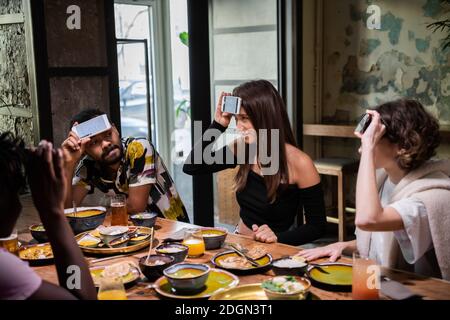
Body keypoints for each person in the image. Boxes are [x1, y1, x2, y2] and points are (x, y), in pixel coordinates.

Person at [297, 99, 450, 280]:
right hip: (378, 280)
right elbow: (382, 240)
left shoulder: (432, 197)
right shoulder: (384, 179)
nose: (362, 150)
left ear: (404, 146)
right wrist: (343, 246)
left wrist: (369, 148)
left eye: (374, 138)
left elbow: (368, 220)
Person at [183, 80, 326, 245]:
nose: (238, 127)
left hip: (273, 250)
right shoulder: (244, 148)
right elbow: (192, 166)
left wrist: (277, 239)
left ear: (265, 118)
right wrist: (218, 125)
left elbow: (317, 226)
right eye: (236, 119)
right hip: (239, 242)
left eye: (244, 119)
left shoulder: (300, 162)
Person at [0, 133, 96, 299]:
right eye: (15, 189)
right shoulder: (5, 268)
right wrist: (52, 212)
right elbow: (83, 296)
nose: (19, 203)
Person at [61, 109, 189, 222]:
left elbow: (137, 206)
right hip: (132, 234)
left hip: (172, 229)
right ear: (85, 151)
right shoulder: (88, 165)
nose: (105, 144)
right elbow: (67, 210)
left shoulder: (138, 148)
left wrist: (103, 209)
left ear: (115, 129)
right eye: (94, 142)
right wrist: (69, 163)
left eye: (108, 134)